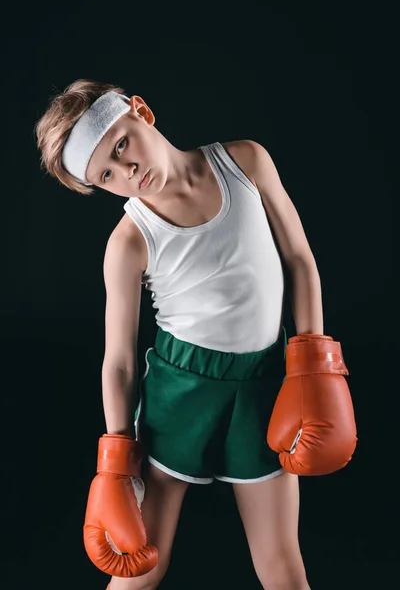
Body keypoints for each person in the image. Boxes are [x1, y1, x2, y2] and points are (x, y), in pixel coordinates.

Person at [35, 79, 357, 590]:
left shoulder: (245, 161)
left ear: (141, 112)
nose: (128, 171)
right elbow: (117, 360)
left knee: (283, 566)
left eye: (122, 145)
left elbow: (299, 259)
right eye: (107, 174)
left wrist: (314, 362)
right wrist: (115, 460)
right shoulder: (128, 241)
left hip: (263, 381)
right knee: (142, 563)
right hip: (180, 394)